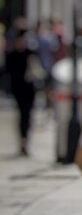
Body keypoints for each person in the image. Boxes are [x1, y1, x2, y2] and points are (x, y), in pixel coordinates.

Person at [5, 27, 39, 156]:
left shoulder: (30, 53)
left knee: (27, 116)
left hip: (29, 89)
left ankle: (25, 141)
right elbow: (6, 72)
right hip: (18, 90)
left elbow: (37, 70)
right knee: (22, 116)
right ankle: (22, 141)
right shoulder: (11, 54)